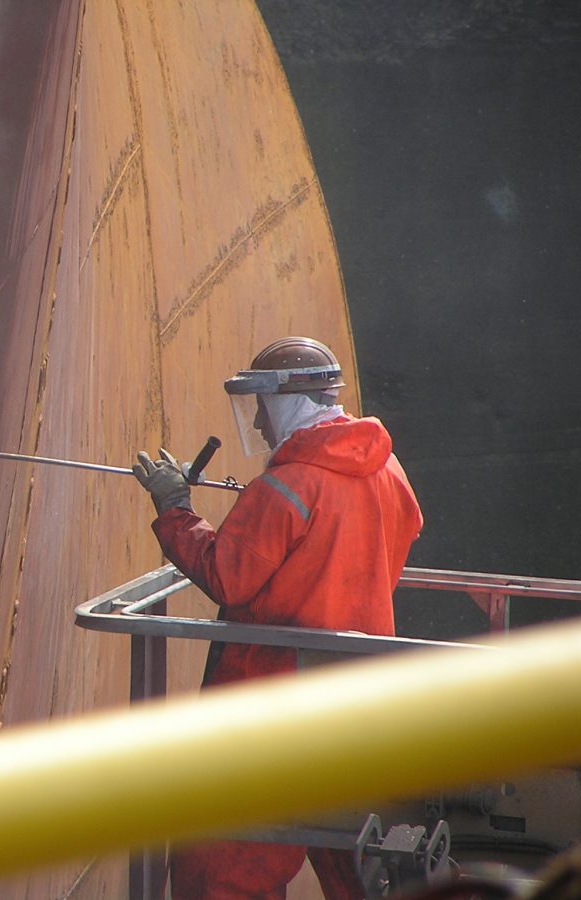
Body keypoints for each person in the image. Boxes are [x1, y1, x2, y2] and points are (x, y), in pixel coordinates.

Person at [133, 336, 423, 900]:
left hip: (272, 705)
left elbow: (228, 577)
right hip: (360, 699)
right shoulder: (387, 469)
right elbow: (396, 537)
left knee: (222, 866)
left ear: (287, 402)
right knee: (359, 863)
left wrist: (174, 510)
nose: (262, 427)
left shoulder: (287, 486)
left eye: (262, 409)